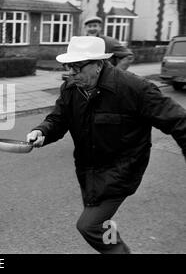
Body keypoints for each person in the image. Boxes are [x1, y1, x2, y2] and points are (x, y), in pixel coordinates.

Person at [26, 36, 186, 254]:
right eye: (68, 66)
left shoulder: (135, 88)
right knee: (101, 224)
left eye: (77, 67)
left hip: (121, 170)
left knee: (88, 225)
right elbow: (58, 119)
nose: (71, 73)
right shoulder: (71, 88)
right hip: (88, 170)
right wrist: (42, 131)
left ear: (99, 64)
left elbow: (179, 121)